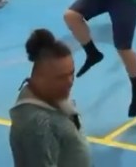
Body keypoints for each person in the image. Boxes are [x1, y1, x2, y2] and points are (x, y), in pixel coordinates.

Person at [9, 29, 91, 167]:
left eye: (71, 73)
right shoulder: (38, 126)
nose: (70, 81)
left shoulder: (54, 93)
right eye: (61, 77)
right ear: (40, 77)